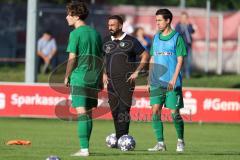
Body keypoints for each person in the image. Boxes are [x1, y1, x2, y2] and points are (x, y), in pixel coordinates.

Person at [102, 15, 149, 146]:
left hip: (126, 82)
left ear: (120, 26)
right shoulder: (106, 41)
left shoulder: (131, 41)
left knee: (123, 111)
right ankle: (120, 138)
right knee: (115, 111)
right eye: (109, 24)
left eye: (113, 25)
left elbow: (145, 55)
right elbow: (99, 58)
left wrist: (137, 72)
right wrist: (103, 73)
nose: (109, 27)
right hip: (111, 82)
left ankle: (123, 139)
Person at [64, 1, 103, 157]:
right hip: (93, 78)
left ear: (76, 16)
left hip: (80, 77)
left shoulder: (75, 34)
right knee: (88, 114)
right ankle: (86, 148)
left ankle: (84, 149)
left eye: (69, 14)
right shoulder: (96, 33)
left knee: (81, 114)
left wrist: (67, 75)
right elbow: (101, 59)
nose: (67, 17)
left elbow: (72, 58)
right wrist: (100, 78)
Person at [148, 9, 187, 152]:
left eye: (159, 20)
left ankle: (180, 140)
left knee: (174, 113)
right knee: (155, 111)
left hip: (172, 82)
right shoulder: (156, 38)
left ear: (168, 20)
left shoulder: (177, 37)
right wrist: (149, 79)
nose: (157, 23)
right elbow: (153, 58)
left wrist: (173, 79)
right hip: (156, 82)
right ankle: (160, 143)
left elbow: (180, 60)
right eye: (156, 20)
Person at [175, 11, 195, 79]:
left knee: (188, 60)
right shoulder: (178, 25)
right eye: (183, 18)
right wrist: (183, 29)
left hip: (188, 45)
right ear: (180, 18)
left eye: (185, 18)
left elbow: (192, 31)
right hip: (181, 46)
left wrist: (188, 26)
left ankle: (188, 75)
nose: (184, 19)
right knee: (181, 61)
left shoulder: (189, 25)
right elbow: (178, 33)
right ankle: (181, 74)